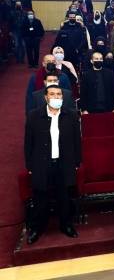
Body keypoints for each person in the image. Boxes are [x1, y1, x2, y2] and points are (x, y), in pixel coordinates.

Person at [24, 84, 80, 244]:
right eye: (52, 94)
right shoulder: (34, 116)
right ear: (46, 97)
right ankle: (37, 228)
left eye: (59, 95)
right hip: (42, 164)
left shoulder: (71, 115)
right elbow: (28, 143)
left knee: (64, 197)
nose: (56, 97)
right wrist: (29, 165)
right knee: (41, 198)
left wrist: (76, 161)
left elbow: (77, 141)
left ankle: (66, 225)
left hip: (64, 163)